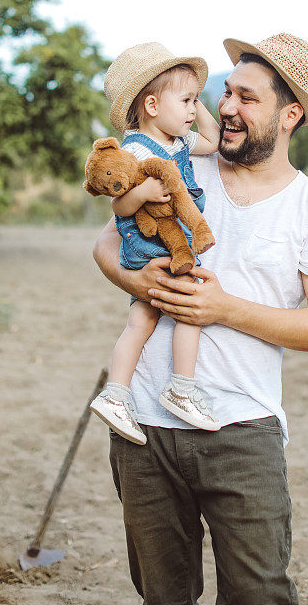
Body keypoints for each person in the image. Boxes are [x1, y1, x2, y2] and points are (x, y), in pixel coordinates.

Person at [93, 33, 308, 605]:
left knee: (258, 593)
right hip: (144, 430)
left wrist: (224, 309)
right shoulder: (182, 166)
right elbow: (104, 247)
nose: (227, 108)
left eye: (247, 98)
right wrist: (138, 282)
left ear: (291, 115)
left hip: (241, 431)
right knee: (162, 594)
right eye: (225, 94)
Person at [90, 42, 222, 445]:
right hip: (151, 246)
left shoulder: (179, 143)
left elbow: (213, 139)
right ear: (151, 105)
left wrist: (194, 99)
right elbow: (119, 204)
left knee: (141, 321)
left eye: (194, 102)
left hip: (163, 243)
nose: (191, 111)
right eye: (185, 101)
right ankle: (181, 388)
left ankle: (116, 394)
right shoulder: (132, 149)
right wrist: (143, 192)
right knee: (188, 310)